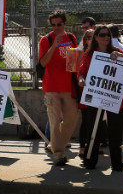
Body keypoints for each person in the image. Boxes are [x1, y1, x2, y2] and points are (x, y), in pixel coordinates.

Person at [77, 25, 123, 171]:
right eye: (102, 34)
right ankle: (90, 160)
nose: (106, 37)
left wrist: (120, 58)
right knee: (93, 130)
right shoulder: (90, 54)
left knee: (115, 132)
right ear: (96, 37)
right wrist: (81, 79)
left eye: (108, 35)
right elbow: (81, 72)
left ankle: (117, 163)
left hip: (114, 97)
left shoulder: (117, 52)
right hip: (96, 95)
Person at [39, 9, 79, 166]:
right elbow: (43, 63)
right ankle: (59, 154)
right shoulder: (46, 39)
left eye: (59, 24)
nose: (56, 27)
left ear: (65, 23)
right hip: (52, 87)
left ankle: (55, 144)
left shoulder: (71, 37)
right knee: (55, 121)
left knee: (71, 119)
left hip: (68, 87)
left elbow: (74, 63)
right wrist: (55, 44)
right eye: (53, 25)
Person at [77, 29, 95, 158]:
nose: (91, 39)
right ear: (85, 39)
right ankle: (83, 147)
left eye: (94, 37)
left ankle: (93, 146)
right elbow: (76, 71)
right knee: (86, 120)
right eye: (88, 37)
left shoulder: (100, 52)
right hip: (83, 90)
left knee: (95, 122)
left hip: (98, 91)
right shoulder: (78, 53)